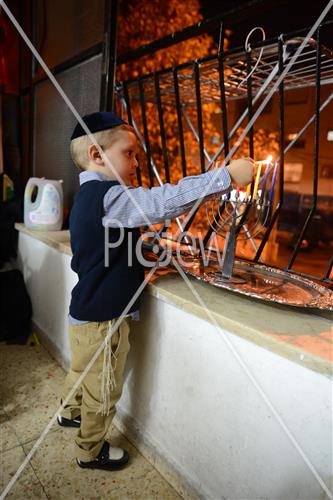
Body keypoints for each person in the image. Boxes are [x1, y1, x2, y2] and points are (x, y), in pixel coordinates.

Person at [57, 111, 254, 471]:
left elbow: (106, 247)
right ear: (98, 156)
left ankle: (69, 413)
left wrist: (143, 259)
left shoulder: (88, 196)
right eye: (129, 153)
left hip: (83, 311)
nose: (136, 162)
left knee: (82, 371)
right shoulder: (110, 196)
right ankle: (89, 450)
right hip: (104, 321)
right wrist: (225, 176)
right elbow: (164, 201)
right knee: (104, 388)